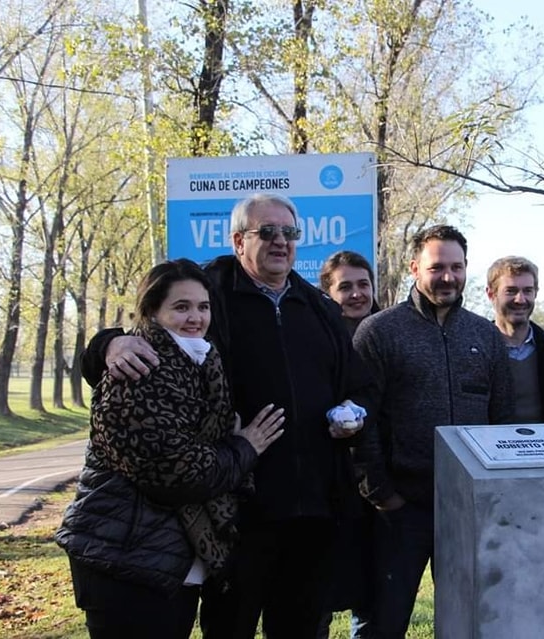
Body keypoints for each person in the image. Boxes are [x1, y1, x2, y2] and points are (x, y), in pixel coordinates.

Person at [80, 193, 372, 639]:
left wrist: (351, 412)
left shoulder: (319, 308)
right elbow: (144, 330)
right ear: (238, 240)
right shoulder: (209, 290)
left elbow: (356, 384)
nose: (280, 242)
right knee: (229, 628)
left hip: (313, 512)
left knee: (303, 628)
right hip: (236, 514)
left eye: (289, 233)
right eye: (266, 232)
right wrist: (108, 345)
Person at [56, 259, 285, 639]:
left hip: (164, 559)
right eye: (181, 307)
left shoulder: (198, 362)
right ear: (152, 311)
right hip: (123, 558)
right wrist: (246, 447)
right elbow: (181, 475)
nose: (195, 317)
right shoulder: (139, 370)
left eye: (203, 306)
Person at [353, 224, 514, 638]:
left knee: (471, 623)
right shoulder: (379, 332)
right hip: (401, 508)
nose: (448, 277)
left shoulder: (486, 336)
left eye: (456, 267)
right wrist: (381, 492)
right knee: (383, 623)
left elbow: (503, 419)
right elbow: (360, 420)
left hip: (469, 510)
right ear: (414, 267)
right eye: (437, 267)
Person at [317, 250, 380, 639]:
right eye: (345, 286)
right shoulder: (315, 335)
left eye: (363, 285)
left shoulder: (390, 331)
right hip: (328, 484)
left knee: (371, 594)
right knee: (317, 593)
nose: (357, 294)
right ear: (328, 292)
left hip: (378, 484)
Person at [485, 255, 544, 423]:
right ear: (491, 294)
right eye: (511, 291)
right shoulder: (476, 351)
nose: (520, 299)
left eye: (527, 291)